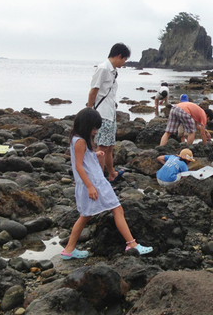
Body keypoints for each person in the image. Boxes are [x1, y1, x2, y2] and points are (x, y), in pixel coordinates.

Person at [61, 108, 152, 260]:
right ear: (86, 125)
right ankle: (132, 244)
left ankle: (69, 250)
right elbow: (78, 166)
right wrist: (90, 186)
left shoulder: (76, 139)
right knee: (117, 209)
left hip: (89, 183)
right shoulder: (81, 141)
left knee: (85, 216)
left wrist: (94, 154)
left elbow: (82, 159)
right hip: (95, 183)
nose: (95, 131)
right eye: (94, 128)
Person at [87, 43, 130, 183]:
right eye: (124, 60)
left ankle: (112, 174)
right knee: (102, 147)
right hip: (102, 114)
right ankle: (99, 179)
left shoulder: (112, 71)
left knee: (110, 146)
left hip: (110, 113)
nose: (124, 63)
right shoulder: (103, 69)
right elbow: (94, 90)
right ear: (119, 56)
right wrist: (89, 109)